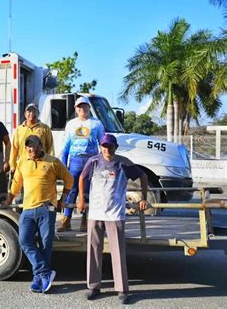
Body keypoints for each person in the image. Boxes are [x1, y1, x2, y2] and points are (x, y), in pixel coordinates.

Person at [77, 134, 148, 304]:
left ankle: (122, 289)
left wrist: (143, 198)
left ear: (115, 147)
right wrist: (81, 199)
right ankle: (93, 286)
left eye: (109, 146)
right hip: (95, 212)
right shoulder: (94, 161)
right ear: (100, 146)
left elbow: (143, 176)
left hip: (115, 214)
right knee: (93, 250)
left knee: (117, 252)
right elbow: (81, 178)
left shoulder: (123, 162)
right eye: (104, 146)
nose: (106, 149)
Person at [4, 135, 73, 294]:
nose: (31, 149)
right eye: (28, 147)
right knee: (24, 240)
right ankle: (44, 273)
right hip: (27, 209)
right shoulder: (23, 161)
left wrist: (63, 198)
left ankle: (38, 278)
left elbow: (69, 179)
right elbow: (16, 182)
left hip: (46, 209)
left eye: (34, 146)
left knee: (45, 244)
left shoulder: (53, 162)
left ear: (41, 146)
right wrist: (9, 198)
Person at [58, 96, 104, 232]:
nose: (82, 109)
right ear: (76, 109)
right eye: (79, 107)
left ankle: (85, 219)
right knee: (71, 189)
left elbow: (103, 143)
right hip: (75, 160)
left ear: (89, 108)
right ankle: (66, 219)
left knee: (88, 190)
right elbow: (66, 145)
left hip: (91, 159)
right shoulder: (71, 124)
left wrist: (101, 162)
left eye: (85, 106)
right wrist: (64, 163)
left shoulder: (96, 123)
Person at [9, 103, 54, 174]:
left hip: (40, 166)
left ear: (38, 113)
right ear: (25, 114)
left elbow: (50, 147)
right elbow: (14, 148)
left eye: (34, 111)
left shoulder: (45, 128)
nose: (31, 113)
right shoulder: (19, 130)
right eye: (29, 111)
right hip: (23, 166)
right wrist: (12, 165)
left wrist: (50, 163)